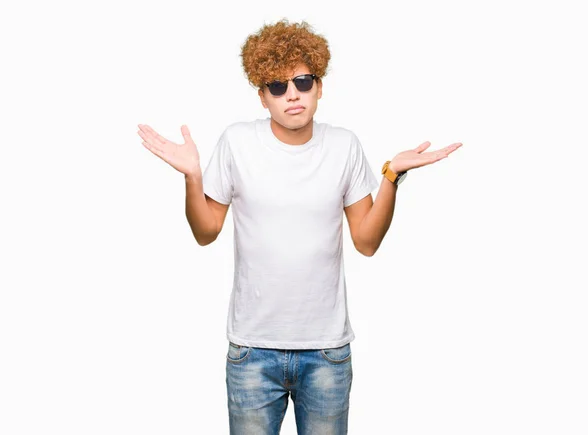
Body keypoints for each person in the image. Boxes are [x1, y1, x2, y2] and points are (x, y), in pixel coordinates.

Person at [137, 18, 462, 435]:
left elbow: (366, 241)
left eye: (303, 81)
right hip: (253, 351)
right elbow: (205, 232)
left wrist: (392, 177)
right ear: (262, 95)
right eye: (277, 85)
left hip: (326, 352)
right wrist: (192, 178)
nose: (292, 94)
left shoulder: (343, 145)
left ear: (319, 87)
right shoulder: (238, 142)